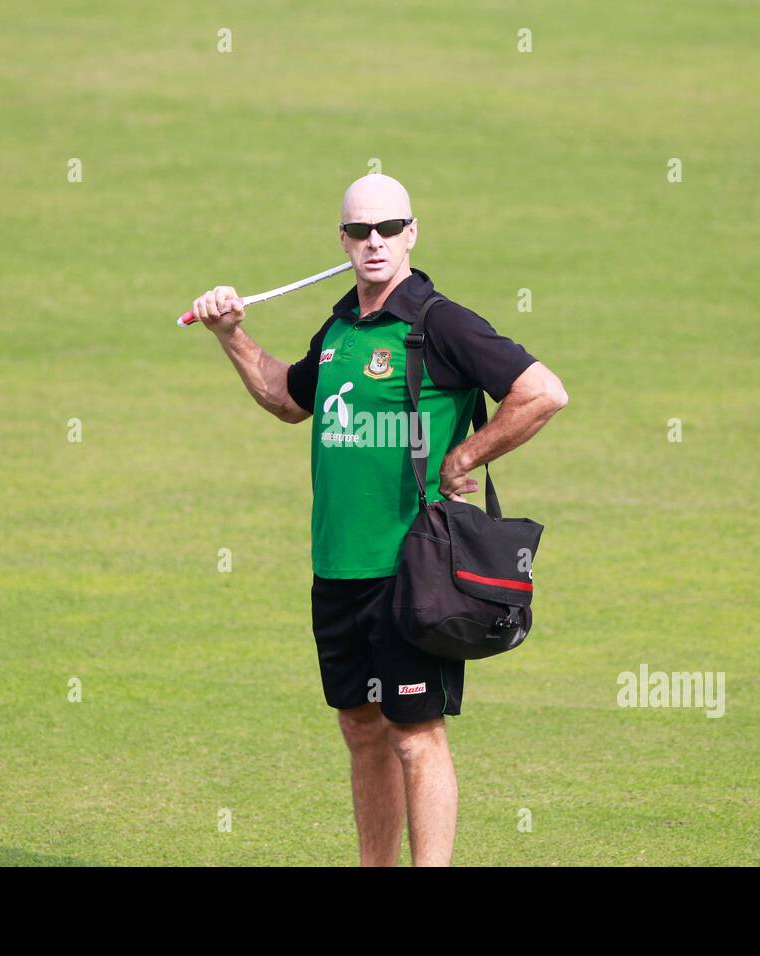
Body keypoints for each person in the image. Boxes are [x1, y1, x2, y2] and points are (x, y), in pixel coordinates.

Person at [190, 174, 567, 865]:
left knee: (414, 734)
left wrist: (466, 457)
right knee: (362, 728)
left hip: (413, 570)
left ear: (411, 233)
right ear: (341, 239)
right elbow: (285, 399)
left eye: (388, 228)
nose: (374, 242)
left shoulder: (439, 323)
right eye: (360, 231)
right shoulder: (337, 329)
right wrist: (231, 334)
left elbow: (543, 392)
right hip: (337, 567)